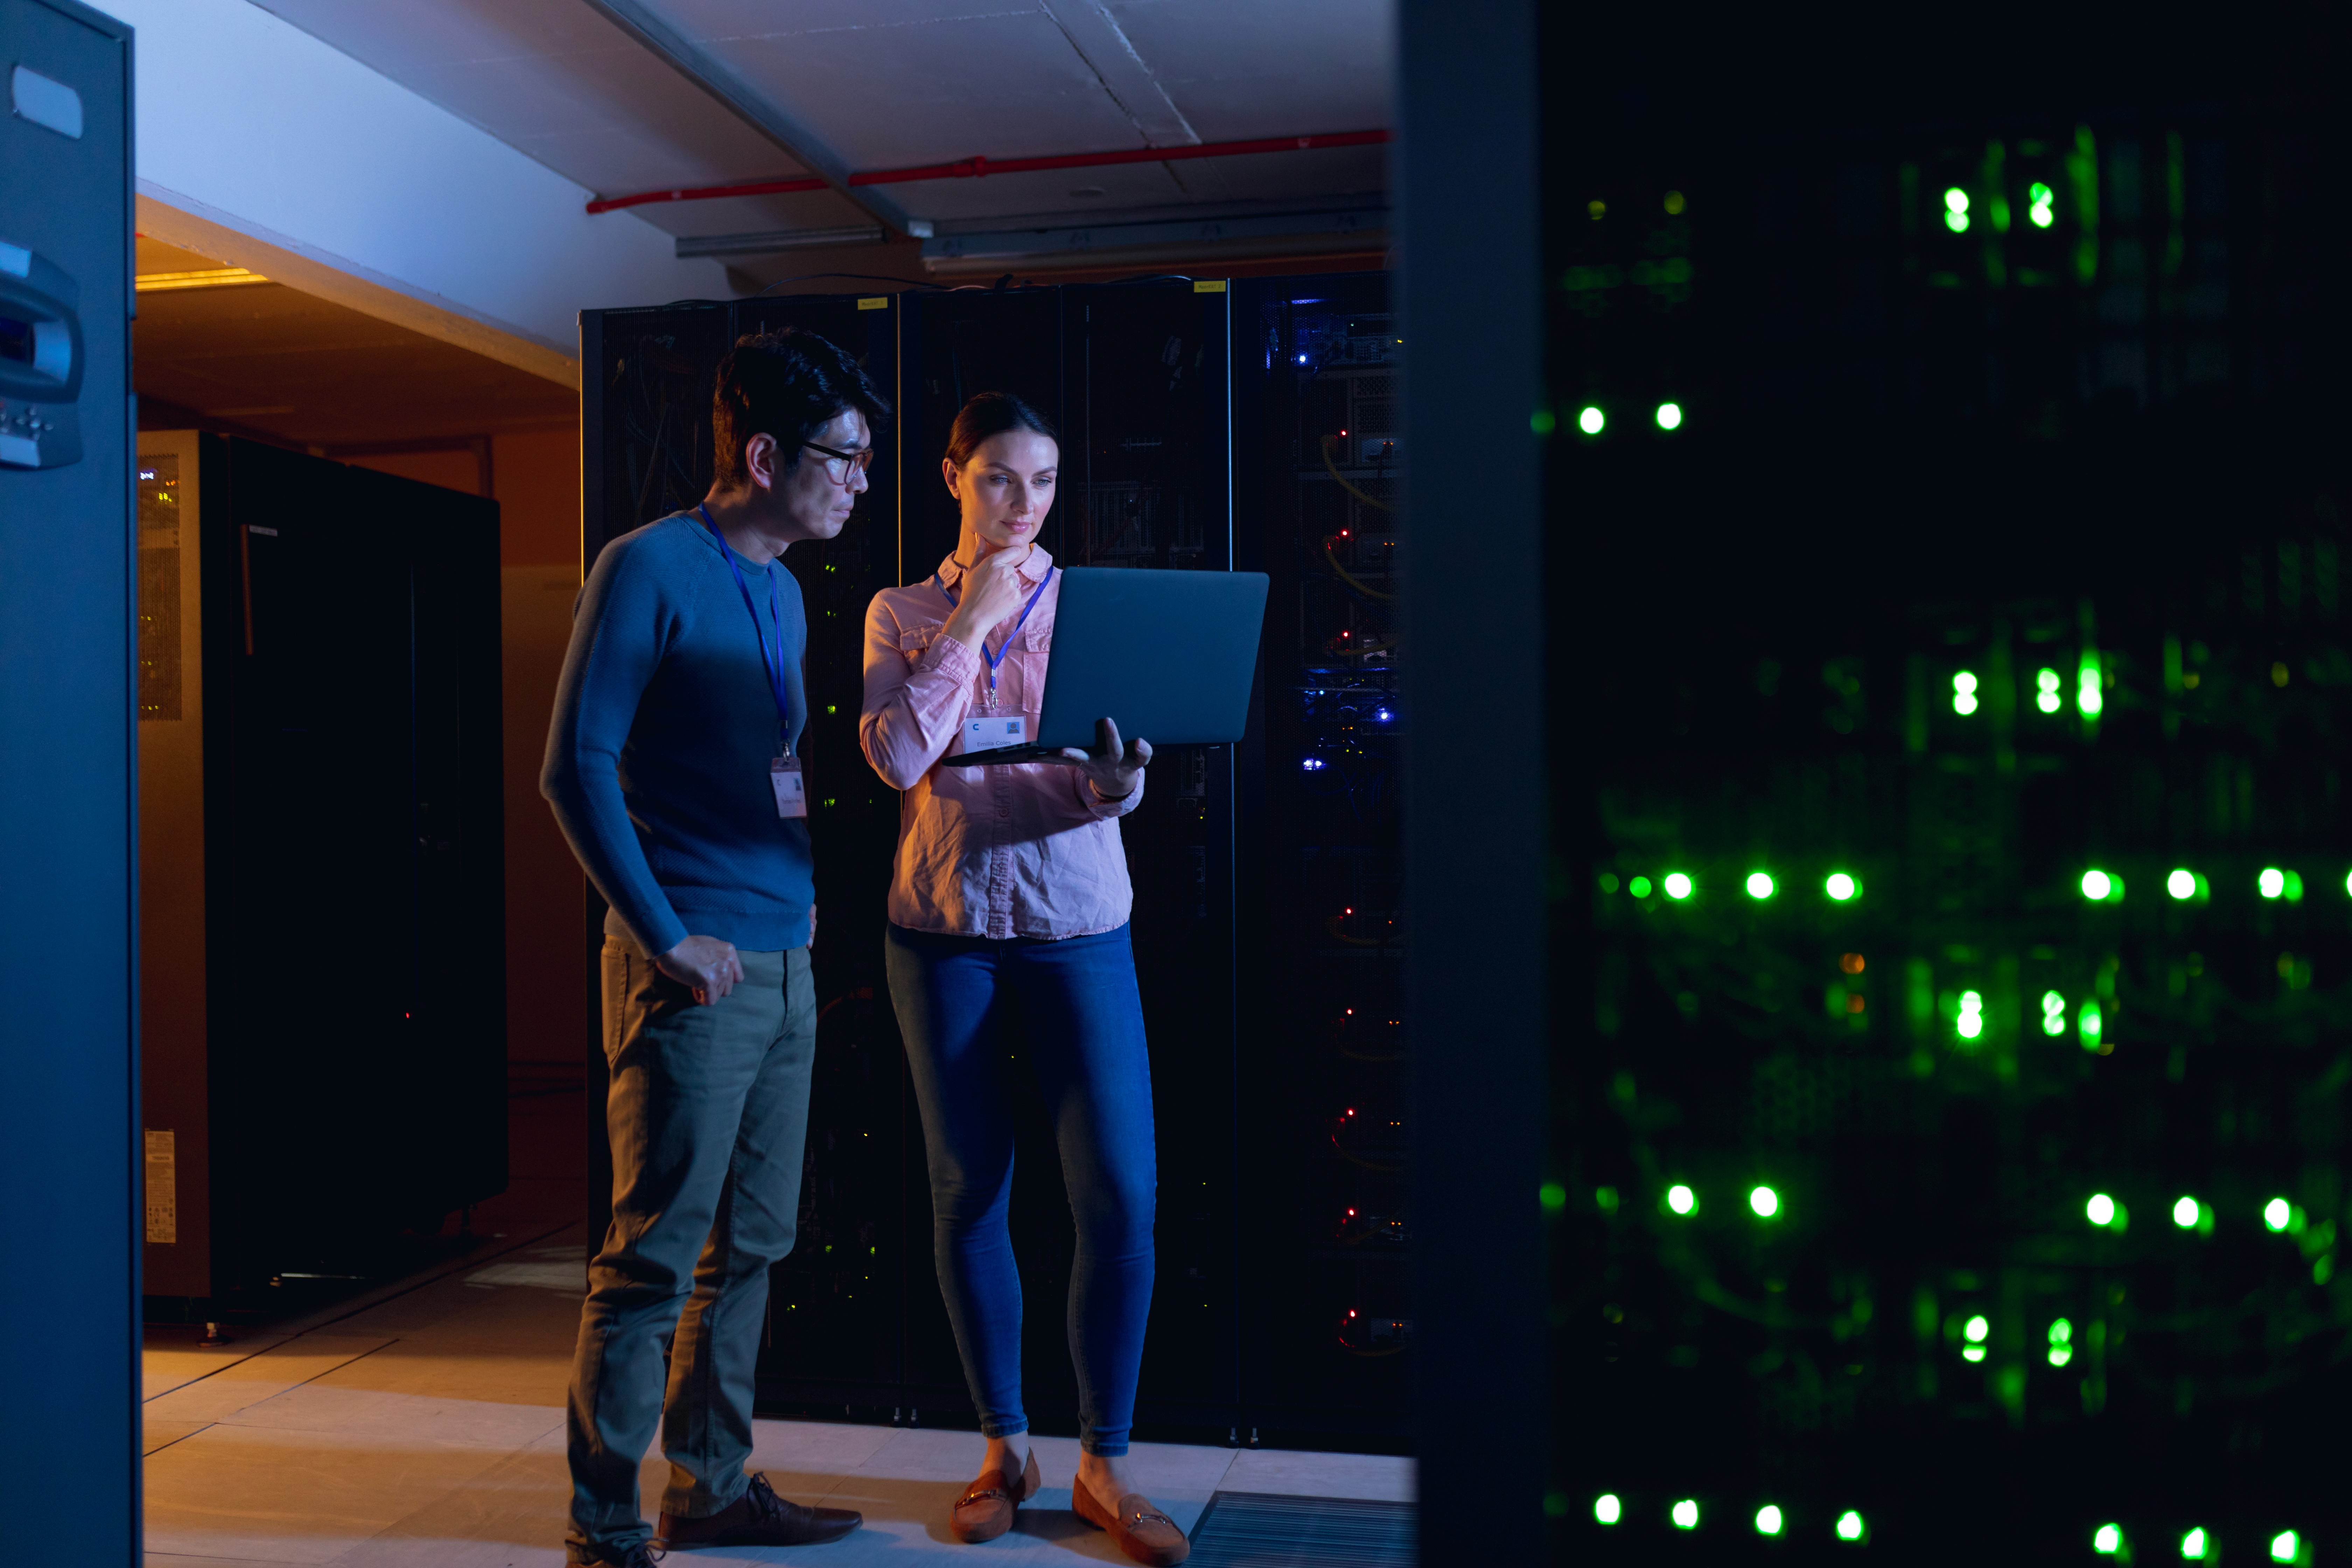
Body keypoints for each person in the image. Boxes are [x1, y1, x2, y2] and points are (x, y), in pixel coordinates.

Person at [542, 327, 887, 1568]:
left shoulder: (789, 588)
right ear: (762, 452)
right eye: (843, 458)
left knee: (755, 1246)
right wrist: (664, 935)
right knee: (649, 1259)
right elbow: (573, 769)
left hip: (785, 961)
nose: (859, 481)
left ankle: (712, 1483)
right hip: (690, 966)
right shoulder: (646, 567)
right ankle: (606, 1523)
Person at [859, 391, 1189, 1567]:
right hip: (940, 928)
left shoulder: (1089, 607)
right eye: (1001, 477)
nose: (1024, 503)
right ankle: (1005, 1450)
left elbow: (1102, 771)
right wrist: (976, 618)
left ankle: (1106, 1462)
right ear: (954, 475)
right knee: (968, 1193)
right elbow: (899, 756)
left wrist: (1117, 786)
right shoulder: (899, 611)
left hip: (1077, 920)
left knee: (1122, 1195)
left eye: (1044, 482)